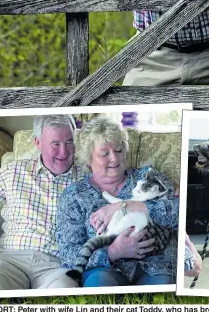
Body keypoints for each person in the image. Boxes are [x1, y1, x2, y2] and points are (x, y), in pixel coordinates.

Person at [57, 116, 194, 287]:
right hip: (104, 270)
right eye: (104, 153)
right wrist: (112, 253)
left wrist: (127, 205)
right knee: (99, 285)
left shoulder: (147, 177)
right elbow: (67, 252)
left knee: (162, 288)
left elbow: (180, 213)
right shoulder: (75, 195)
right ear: (88, 159)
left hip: (156, 266)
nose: (114, 158)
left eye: (119, 150)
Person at [0, 114, 83, 291]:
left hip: (57, 265)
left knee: (66, 287)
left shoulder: (88, 177)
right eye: (55, 144)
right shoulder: (15, 171)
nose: (64, 152)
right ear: (38, 143)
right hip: (9, 260)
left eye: (69, 142)